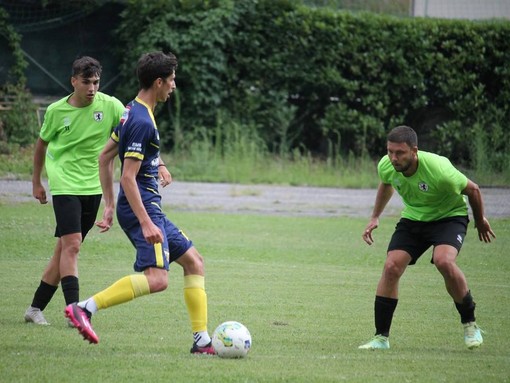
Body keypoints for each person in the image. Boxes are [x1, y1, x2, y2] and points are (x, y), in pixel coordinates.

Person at [65, 51, 215, 355]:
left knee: (194, 261)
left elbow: (105, 156)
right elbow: (128, 178)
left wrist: (112, 203)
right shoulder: (142, 120)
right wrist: (145, 221)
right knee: (158, 279)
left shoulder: (132, 111)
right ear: (158, 82)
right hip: (143, 209)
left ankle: (202, 341)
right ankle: (84, 308)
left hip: (147, 207)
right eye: (171, 79)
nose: (174, 85)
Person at [358, 125, 496, 350]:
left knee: (444, 261)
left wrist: (480, 220)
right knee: (391, 266)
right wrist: (375, 216)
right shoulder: (387, 165)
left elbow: (474, 190)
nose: (393, 158)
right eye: (390, 151)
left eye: (399, 152)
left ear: (414, 151)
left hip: (449, 218)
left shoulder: (439, 169)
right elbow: (386, 184)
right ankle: (381, 338)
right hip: (414, 219)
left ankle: (470, 324)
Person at [25, 56, 125, 325]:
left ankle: (34, 308)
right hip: (65, 184)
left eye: (96, 82)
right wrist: (36, 182)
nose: (92, 88)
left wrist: (157, 162)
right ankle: (74, 311)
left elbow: (134, 127)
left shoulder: (111, 106)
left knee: (64, 251)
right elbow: (41, 146)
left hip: (92, 187)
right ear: (74, 82)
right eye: (86, 82)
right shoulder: (57, 111)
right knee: (72, 246)